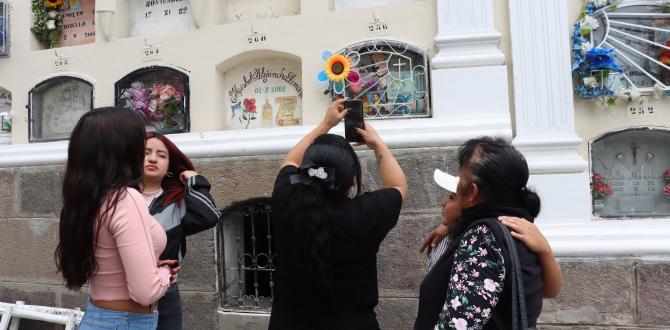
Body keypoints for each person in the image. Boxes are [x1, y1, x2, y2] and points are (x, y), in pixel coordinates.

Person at [269, 98, 408, 330]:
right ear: (352, 181)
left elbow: (291, 160)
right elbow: (399, 187)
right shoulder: (364, 214)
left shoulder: (286, 198)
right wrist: (377, 144)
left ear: (306, 170)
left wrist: (325, 124)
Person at [54, 107, 179, 330]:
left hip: (99, 317)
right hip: (126, 322)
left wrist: (150, 267)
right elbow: (145, 293)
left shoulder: (89, 199)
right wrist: (166, 272)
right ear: (125, 147)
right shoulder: (125, 198)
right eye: (139, 139)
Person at [414, 137, 549, 330]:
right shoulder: (516, 228)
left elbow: (459, 324)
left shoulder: (484, 239)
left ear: (472, 193)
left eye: (460, 181)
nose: (447, 199)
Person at [420, 170, 562, 298]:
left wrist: (545, 250)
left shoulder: (496, 241)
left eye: (451, 197)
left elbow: (549, 291)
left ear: (471, 199)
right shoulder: (447, 237)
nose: (443, 202)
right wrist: (449, 227)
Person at [140, 131, 221, 330]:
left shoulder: (177, 203)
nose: (153, 159)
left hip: (164, 294)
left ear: (170, 165)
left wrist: (195, 182)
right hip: (121, 292)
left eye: (161, 155)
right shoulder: (121, 197)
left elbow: (209, 216)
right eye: (146, 152)